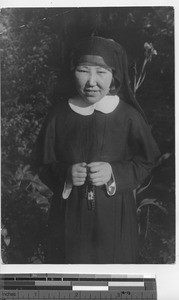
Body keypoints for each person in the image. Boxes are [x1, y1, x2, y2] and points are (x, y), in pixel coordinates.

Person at [35, 36, 160, 264]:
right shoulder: (58, 115)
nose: (91, 81)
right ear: (73, 72)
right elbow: (43, 163)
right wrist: (66, 175)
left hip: (115, 218)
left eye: (101, 72)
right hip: (68, 216)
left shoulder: (128, 116)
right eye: (83, 71)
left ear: (115, 75)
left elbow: (147, 160)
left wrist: (114, 173)